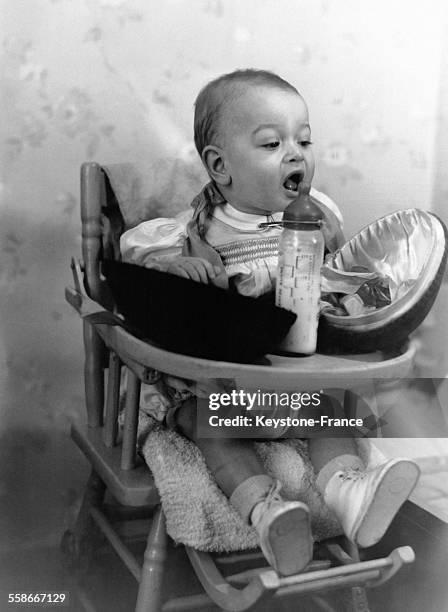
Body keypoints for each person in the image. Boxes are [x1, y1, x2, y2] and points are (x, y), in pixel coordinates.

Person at [120, 69, 420, 576]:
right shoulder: (195, 231)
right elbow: (138, 266)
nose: (297, 152)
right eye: (272, 143)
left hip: (292, 381)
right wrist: (176, 268)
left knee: (332, 412)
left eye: (304, 139)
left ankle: (349, 490)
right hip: (219, 387)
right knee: (211, 424)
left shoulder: (314, 218)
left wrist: (342, 261)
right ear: (220, 165)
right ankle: (268, 513)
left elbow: (338, 278)